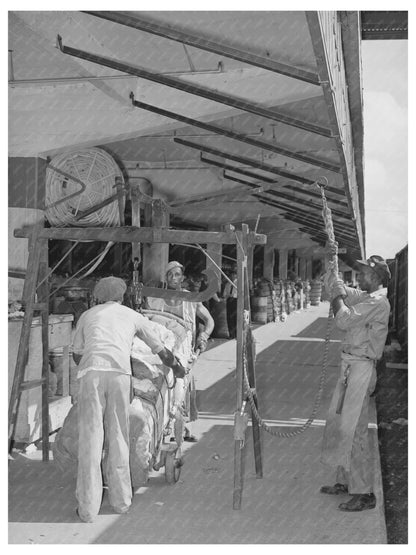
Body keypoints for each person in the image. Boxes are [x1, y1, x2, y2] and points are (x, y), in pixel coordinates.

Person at [72, 276, 186, 523]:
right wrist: (177, 368)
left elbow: (76, 356)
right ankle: (121, 502)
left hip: (91, 375)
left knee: (90, 441)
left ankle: (87, 509)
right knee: (118, 437)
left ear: (98, 296)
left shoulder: (87, 316)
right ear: (123, 296)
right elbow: (161, 350)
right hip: (120, 376)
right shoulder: (133, 316)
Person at [320, 252, 391, 512]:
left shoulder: (378, 303)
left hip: (361, 368)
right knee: (341, 425)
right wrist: (332, 276)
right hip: (351, 366)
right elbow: (346, 293)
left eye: (362, 273)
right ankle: (346, 482)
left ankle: (364, 493)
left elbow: (344, 318)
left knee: (357, 432)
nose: (359, 276)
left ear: (375, 276)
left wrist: (336, 294)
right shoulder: (368, 297)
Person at [145, 261, 215, 441]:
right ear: (165, 278)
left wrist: (204, 336)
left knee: (180, 380)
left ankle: (177, 423)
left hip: (182, 344)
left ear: (182, 277)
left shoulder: (191, 299)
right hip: (162, 341)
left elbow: (209, 321)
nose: (173, 278)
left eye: (177, 274)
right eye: (169, 275)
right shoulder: (157, 297)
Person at [222, 269, 238, 338]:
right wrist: (227, 296)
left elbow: (241, 293)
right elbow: (224, 294)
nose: (232, 276)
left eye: (234, 275)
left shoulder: (238, 283)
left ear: (236, 275)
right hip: (229, 301)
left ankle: (237, 334)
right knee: (229, 318)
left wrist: (233, 295)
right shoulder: (227, 284)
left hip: (236, 300)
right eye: (231, 275)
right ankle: (231, 335)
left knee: (236, 317)